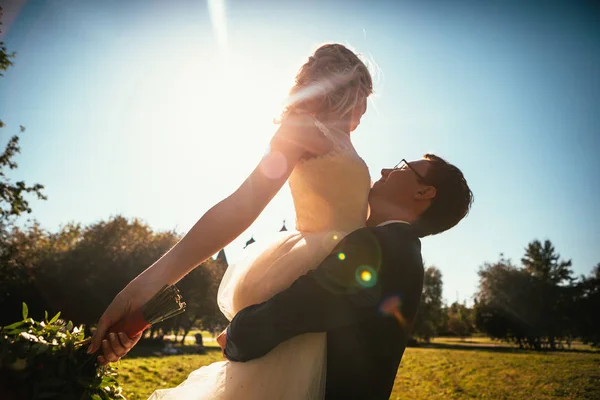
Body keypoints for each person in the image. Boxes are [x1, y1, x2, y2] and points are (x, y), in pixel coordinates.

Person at [90, 43, 375, 399]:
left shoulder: (349, 146)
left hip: (348, 288)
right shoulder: (301, 129)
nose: (363, 112)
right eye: (364, 98)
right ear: (349, 90)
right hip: (311, 281)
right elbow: (243, 204)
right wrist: (149, 285)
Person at [218, 155, 474, 399]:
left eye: (403, 166)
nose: (386, 171)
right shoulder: (403, 249)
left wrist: (237, 335)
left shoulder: (381, 246)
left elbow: (309, 303)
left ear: (424, 192)